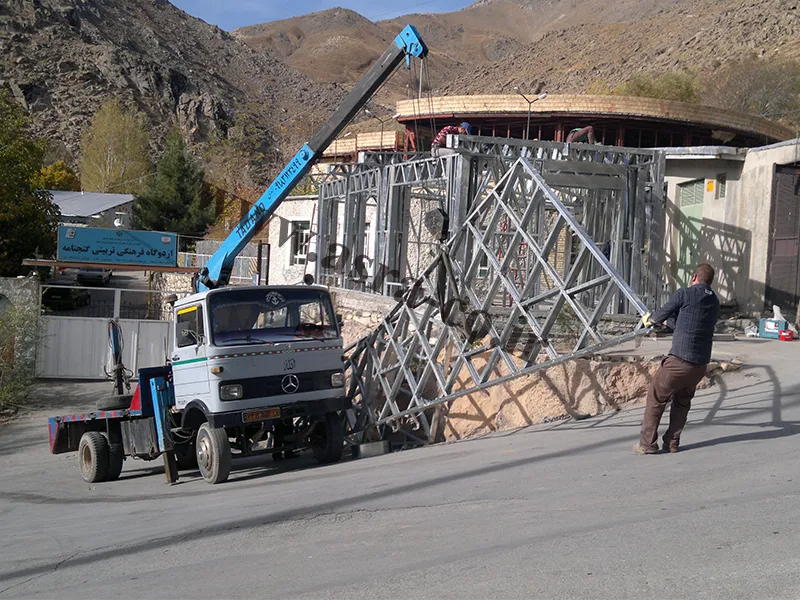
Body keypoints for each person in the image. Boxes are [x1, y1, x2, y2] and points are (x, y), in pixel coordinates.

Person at [634, 263, 720, 455]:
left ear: (694, 277)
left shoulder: (685, 294)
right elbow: (686, 322)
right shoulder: (714, 302)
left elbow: (659, 315)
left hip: (679, 360)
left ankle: (647, 444)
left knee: (656, 398)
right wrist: (668, 321)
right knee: (682, 403)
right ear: (710, 281)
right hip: (699, 365)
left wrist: (651, 318)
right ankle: (672, 443)